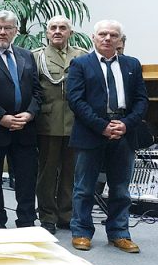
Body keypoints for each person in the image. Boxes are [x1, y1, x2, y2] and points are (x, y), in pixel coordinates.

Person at [67, 20, 147, 253]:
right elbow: (76, 100)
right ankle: (81, 231)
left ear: (120, 40)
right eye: (103, 34)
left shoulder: (132, 64)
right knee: (84, 187)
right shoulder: (80, 63)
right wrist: (102, 126)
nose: (107, 38)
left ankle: (119, 233)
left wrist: (124, 124)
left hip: (124, 132)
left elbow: (141, 101)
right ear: (93, 37)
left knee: (121, 188)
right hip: (91, 132)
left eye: (113, 35)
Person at [0, 10, 42, 229]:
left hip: (25, 128)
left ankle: (26, 220)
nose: (2, 32)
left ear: (15, 31)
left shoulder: (26, 55)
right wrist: (1, 117)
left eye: (7, 28)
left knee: (26, 179)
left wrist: (30, 113)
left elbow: (37, 91)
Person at [31, 15, 87, 234]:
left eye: (62, 28)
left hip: (75, 123)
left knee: (71, 171)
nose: (57, 31)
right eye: (53, 28)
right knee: (47, 171)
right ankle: (47, 216)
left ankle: (67, 214)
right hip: (48, 123)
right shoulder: (38, 57)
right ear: (47, 32)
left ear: (70, 33)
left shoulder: (81, 56)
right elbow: (34, 89)